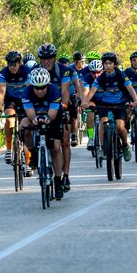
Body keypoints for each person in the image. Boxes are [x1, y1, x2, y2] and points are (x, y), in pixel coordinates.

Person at [82, 52, 137, 159]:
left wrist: (136, 100)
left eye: (110, 63)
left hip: (120, 104)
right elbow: (92, 91)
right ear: (103, 65)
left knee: (119, 125)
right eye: (106, 64)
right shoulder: (101, 77)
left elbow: (130, 88)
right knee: (102, 122)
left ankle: (125, 145)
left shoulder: (120, 75)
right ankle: (103, 148)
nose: (108, 66)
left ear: (114, 64)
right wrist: (85, 102)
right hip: (106, 104)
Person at [21, 67, 67, 200]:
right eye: (37, 88)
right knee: (23, 125)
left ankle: (58, 181)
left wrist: (47, 119)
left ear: (47, 85)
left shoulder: (54, 91)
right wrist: (34, 119)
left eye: (42, 87)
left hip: (53, 117)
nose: (40, 91)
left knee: (56, 148)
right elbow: (30, 114)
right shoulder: (27, 92)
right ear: (32, 86)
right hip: (35, 115)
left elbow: (52, 114)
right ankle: (33, 154)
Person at [37, 43, 76, 189]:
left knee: (64, 142)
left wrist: (64, 109)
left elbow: (65, 92)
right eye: (43, 58)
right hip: (42, 106)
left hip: (60, 105)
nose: (46, 61)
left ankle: (65, 175)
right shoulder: (35, 70)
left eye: (49, 58)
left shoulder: (63, 70)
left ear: (54, 58)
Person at [0, 50, 30, 171]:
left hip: (25, 101)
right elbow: (1, 93)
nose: (12, 67)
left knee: (26, 131)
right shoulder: (4, 73)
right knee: (10, 120)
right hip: (11, 101)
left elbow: (30, 89)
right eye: (9, 64)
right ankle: (9, 148)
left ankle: (28, 162)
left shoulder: (26, 71)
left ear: (19, 63)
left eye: (14, 64)